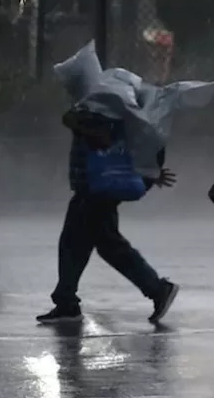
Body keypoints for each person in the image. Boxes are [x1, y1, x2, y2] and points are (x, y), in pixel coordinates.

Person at [36, 106, 180, 325]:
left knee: (95, 244)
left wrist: (148, 176)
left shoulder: (103, 109)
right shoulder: (107, 107)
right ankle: (66, 301)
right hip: (93, 187)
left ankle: (157, 289)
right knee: (89, 244)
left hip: (97, 188)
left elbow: (81, 126)